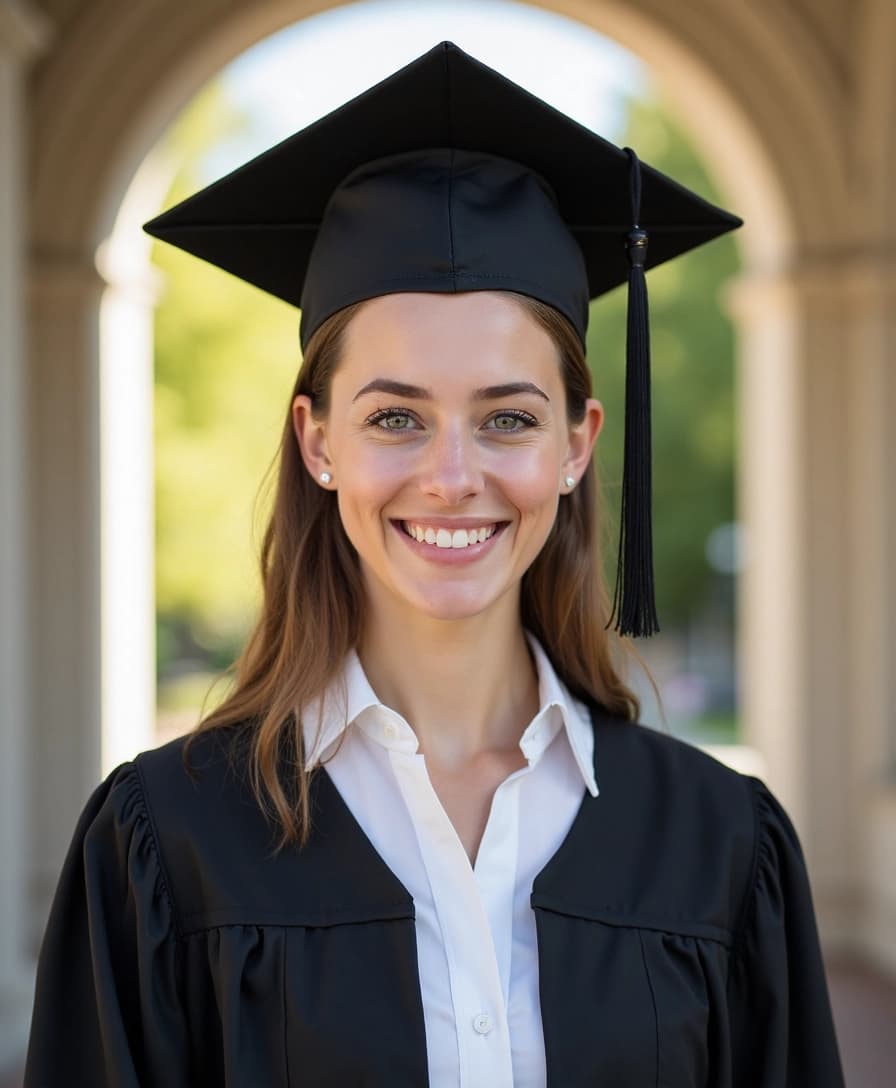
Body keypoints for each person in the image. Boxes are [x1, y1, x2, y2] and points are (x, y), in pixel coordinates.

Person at [25, 42, 844, 1087]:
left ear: (576, 445)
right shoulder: (168, 843)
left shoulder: (720, 844)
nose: (452, 476)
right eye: (395, 417)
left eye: (507, 416)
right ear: (318, 443)